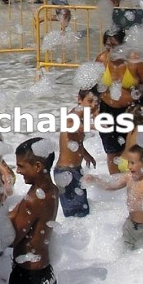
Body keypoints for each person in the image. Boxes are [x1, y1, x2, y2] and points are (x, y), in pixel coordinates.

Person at [1, 137, 59, 284]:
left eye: (21, 166)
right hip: (42, 275)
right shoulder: (49, 190)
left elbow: (10, 238)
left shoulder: (35, 199)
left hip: (30, 280)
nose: (18, 171)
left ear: (37, 166)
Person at [84, 145, 143, 250]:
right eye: (129, 162)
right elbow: (112, 184)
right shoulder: (129, 177)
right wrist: (96, 179)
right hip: (130, 224)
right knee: (127, 253)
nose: (129, 166)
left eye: (132, 163)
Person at [96, 31, 143, 174]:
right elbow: (93, 88)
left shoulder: (135, 61)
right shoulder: (101, 60)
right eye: (108, 46)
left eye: (115, 46)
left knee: (132, 154)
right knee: (112, 153)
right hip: (107, 110)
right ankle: (116, 191)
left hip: (131, 112)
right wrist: (94, 112)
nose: (111, 50)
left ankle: (134, 188)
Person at [54, 88, 99, 218]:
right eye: (89, 101)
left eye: (95, 103)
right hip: (65, 172)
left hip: (75, 170)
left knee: (81, 210)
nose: (92, 105)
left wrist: (86, 155)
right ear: (79, 99)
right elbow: (68, 125)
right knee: (75, 213)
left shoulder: (83, 116)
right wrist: (92, 126)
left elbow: (75, 141)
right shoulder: (75, 113)